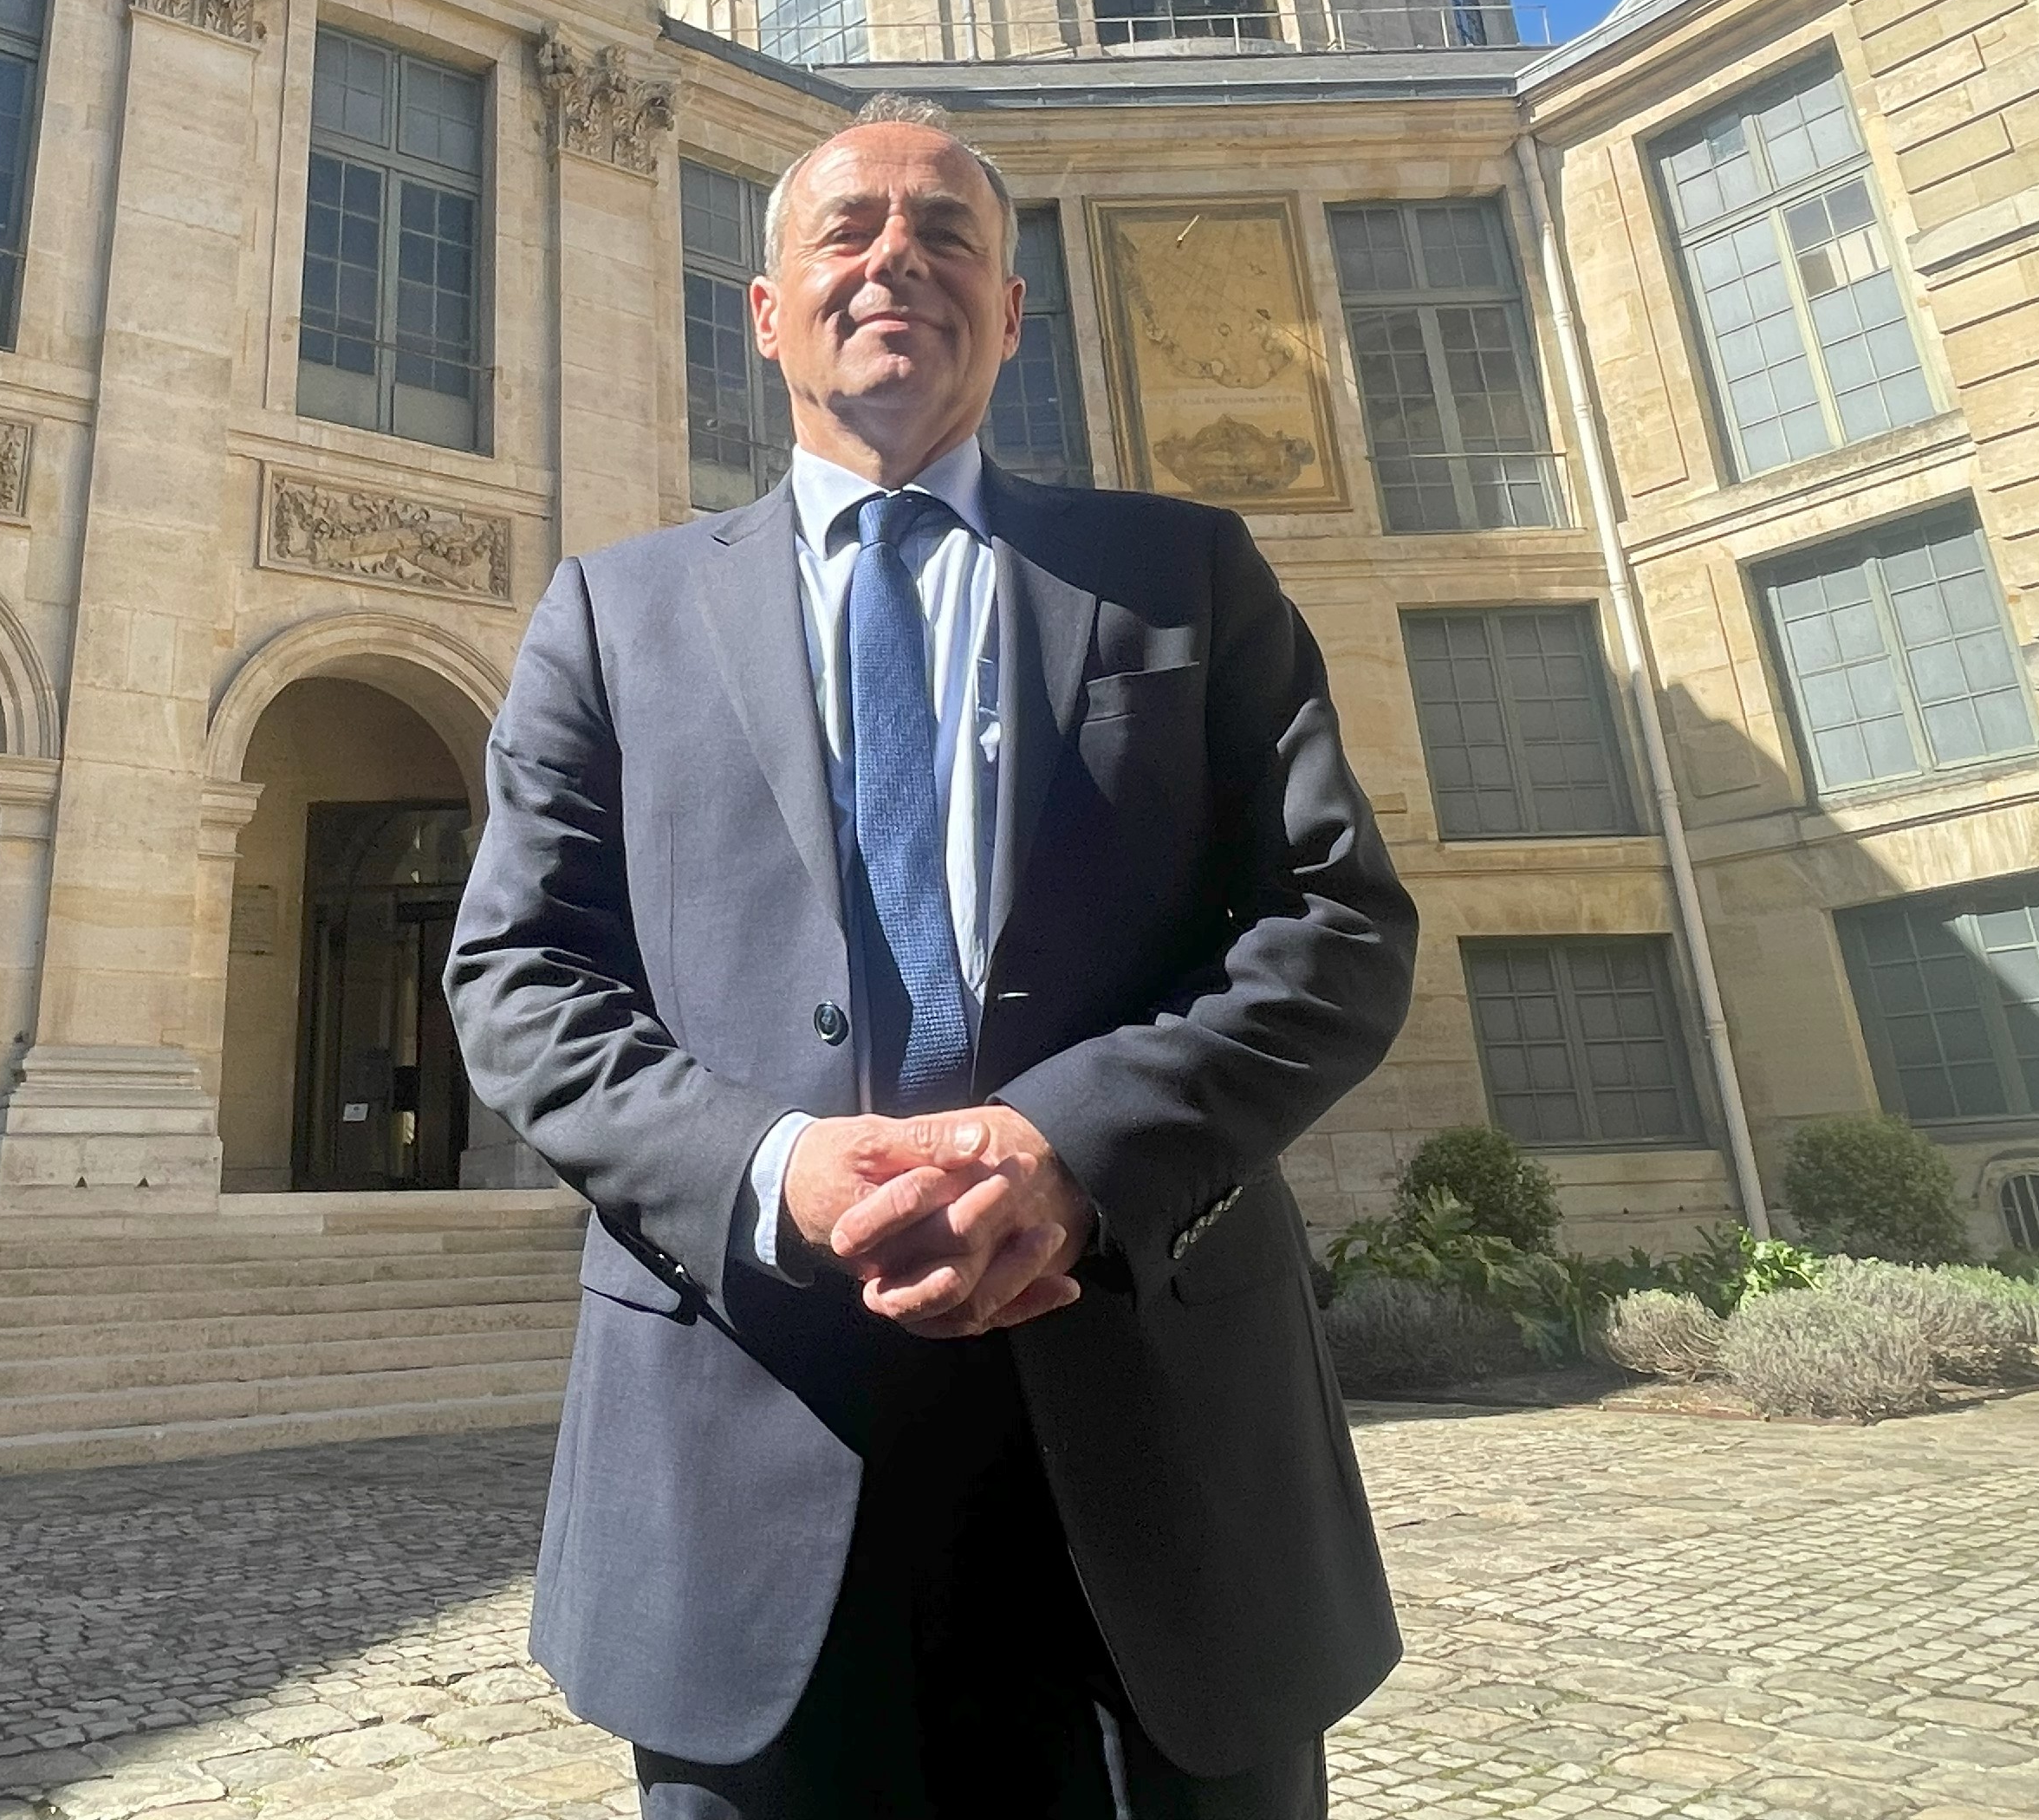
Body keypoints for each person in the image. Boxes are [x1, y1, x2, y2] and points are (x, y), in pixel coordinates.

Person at [445, 96, 1419, 1818]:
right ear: (766, 311)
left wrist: (1071, 1149)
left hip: (1156, 1457)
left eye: (945, 233)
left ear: (1010, 311)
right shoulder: (613, 614)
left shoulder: (1186, 571)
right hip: (750, 1443)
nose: (895, 258)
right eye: (847, 230)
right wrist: (775, 1165)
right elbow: (519, 971)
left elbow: (1335, 925)